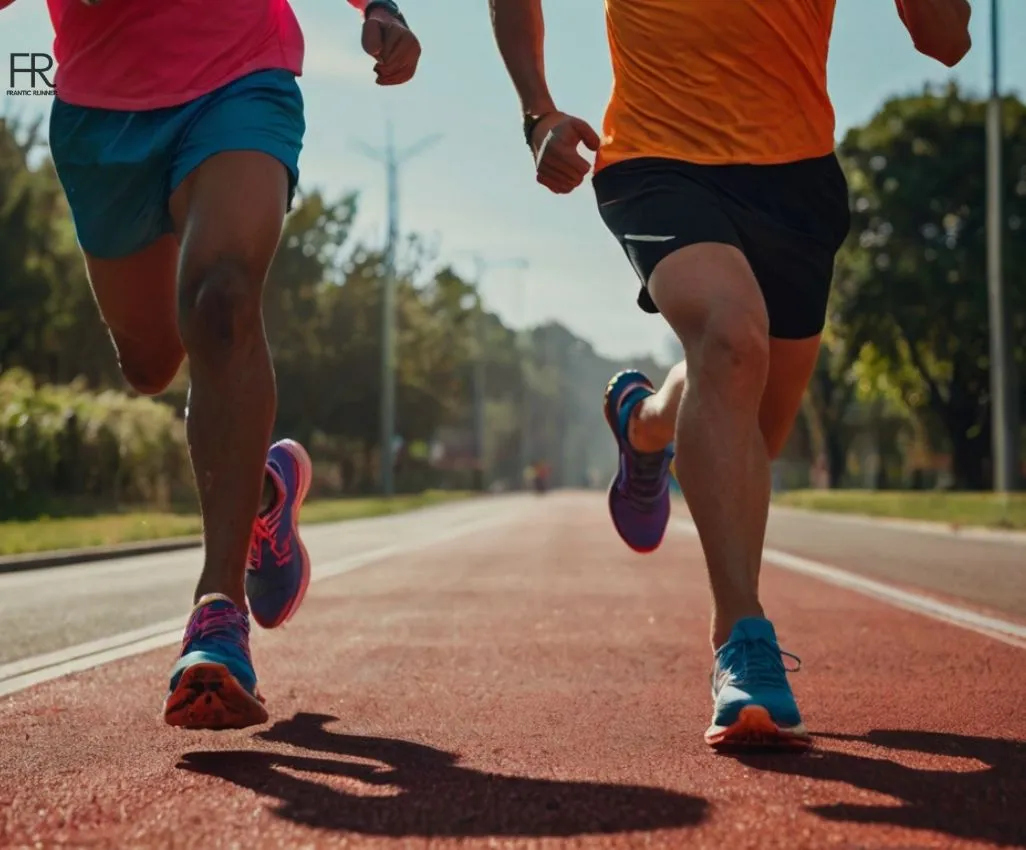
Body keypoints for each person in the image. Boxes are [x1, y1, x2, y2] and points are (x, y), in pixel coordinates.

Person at [489, 0, 970, 748]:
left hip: (797, 179)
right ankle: (741, 640)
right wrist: (536, 112)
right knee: (733, 341)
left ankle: (644, 425)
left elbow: (946, 41)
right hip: (656, 158)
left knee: (748, 417)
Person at [2, 0, 421, 730]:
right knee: (149, 363)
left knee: (220, 303)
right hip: (102, 113)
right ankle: (259, 487)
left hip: (237, 76)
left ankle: (217, 616)